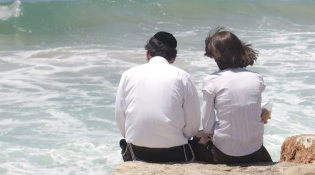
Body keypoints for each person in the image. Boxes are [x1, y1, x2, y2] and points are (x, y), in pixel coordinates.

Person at [115, 31, 201, 163]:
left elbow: (121, 117)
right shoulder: (182, 77)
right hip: (175, 152)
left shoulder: (128, 75)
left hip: (136, 153)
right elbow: (193, 126)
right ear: (173, 58)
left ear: (147, 54)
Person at [194, 27, 273, 165]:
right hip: (254, 150)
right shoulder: (256, 78)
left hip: (226, 154)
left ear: (215, 57)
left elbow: (208, 128)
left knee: (197, 140)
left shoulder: (212, 80)